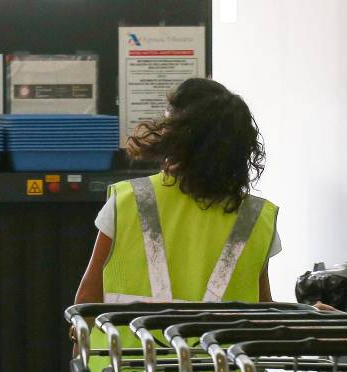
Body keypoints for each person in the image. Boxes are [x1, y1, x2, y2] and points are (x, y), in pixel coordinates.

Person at [74, 77, 280, 308]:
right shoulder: (256, 217)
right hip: (221, 346)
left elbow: (86, 300)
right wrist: (308, 315)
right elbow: (265, 309)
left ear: (176, 137)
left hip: (133, 345)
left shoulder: (129, 200)